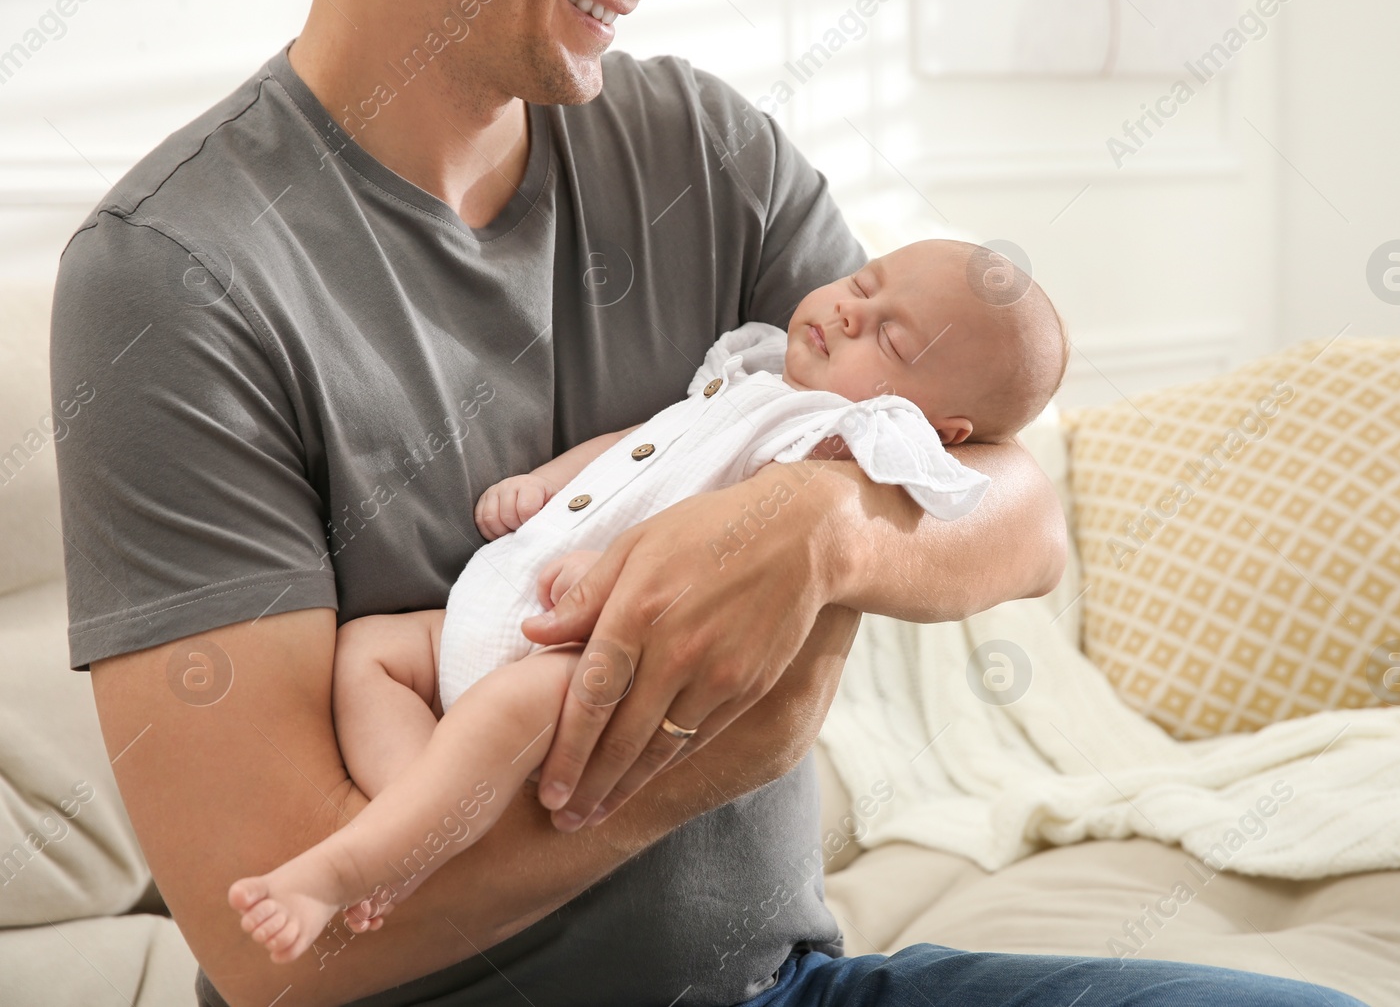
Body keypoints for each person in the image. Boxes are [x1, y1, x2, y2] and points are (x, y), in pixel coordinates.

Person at [50, 0, 1368, 1004]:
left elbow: (1018, 520)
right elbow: (282, 950)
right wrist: (707, 757)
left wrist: (825, 524)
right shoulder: (174, 277)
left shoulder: (701, 153)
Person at [226, 240, 1069, 963]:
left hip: (588, 653)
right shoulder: (753, 375)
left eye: (890, 333)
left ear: (935, 426)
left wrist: (611, 575)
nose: (851, 311)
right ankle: (417, 828)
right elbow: (643, 448)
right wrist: (547, 485)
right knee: (370, 651)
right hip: (502, 603)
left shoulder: (837, 437)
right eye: (863, 283)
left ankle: (343, 869)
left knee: (499, 718)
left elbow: (748, 546)